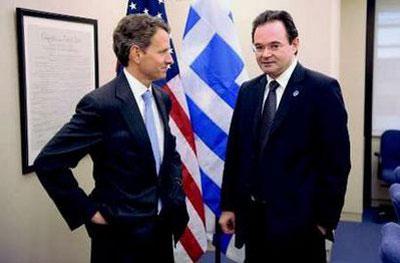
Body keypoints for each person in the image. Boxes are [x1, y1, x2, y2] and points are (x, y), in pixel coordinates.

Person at [34, 14, 188, 263]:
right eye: (162, 52)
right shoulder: (101, 105)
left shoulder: (162, 98)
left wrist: (174, 195)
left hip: (162, 231)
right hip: (121, 240)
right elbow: (49, 163)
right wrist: (88, 211)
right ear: (137, 54)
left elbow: (168, 153)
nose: (170, 59)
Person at [219, 10, 351, 262]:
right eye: (259, 47)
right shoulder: (248, 91)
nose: (265, 54)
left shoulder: (321, 90)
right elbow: (236, 153)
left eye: (274, 45)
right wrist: (229, 205)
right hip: (254, 223)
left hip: (301, 228)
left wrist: (324, 221)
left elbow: (337, 163)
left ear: (294, 44)